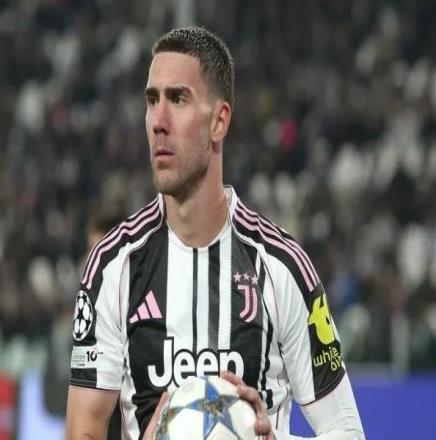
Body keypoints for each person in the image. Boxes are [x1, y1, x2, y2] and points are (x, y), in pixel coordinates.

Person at [65, 27, 365, 440]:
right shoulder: (113, 265)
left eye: (178, 99)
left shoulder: (281, 267)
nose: (158, 122)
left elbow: (347, 430)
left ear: (219, 121)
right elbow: (82, 431)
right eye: (152, 100)